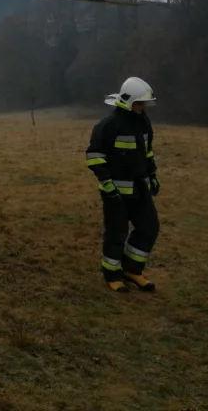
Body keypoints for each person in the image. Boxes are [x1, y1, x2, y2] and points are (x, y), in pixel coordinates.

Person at [85, 76, 161, 293]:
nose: (142, 107)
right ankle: (112, 275)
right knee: (116, 233)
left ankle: (132, 269)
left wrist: (152, 174)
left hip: (140, 188)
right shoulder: (108, 125)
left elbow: (147, 152)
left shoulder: (143, 121)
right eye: (138, 103)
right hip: (115, 192)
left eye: (143, 104)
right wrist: (106, 183)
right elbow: (94, 155)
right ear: (127, 101)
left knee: (149, 227)